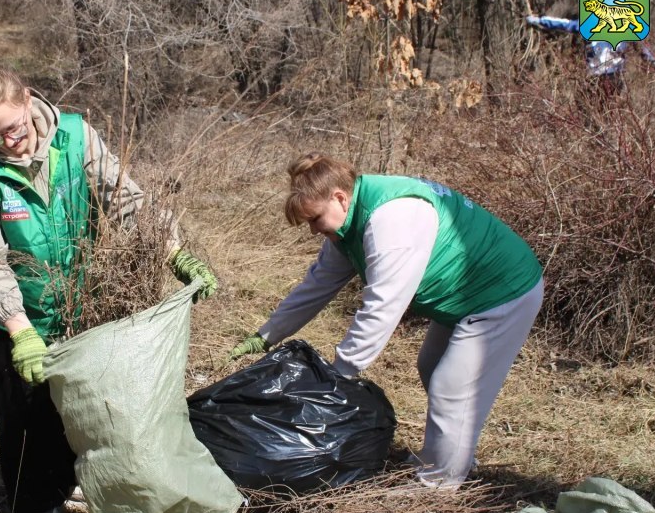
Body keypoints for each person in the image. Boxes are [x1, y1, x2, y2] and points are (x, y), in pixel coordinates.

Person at [0, 56, 217, 513]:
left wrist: (172, 251)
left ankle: (95, 486)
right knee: (28, 419)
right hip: (20, 313)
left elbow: (125, 199)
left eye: (13, 126)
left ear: (28, 99)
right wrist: (20, 328)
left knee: (92, 404)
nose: (9, 141)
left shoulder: (75, 135)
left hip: (83, 300)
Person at [229, 154, 544, 488]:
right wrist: (266, 335)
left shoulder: (391, 219)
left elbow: (383, 306)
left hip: (502, 293)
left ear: (339, 197)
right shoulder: (348, 222)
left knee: (453, 388)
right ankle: (446, 455)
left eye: (315, 218)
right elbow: (317, 286)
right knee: (432, 366)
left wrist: (340, 374)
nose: (313, 230)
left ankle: (438, 489)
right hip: (466, 298)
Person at [525, 14, 655, 95]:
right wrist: (539, 20)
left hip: (607, 75)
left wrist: (652, 62)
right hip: (602, 76)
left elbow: (565, 24)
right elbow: (565, 24)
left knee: (601, 110)